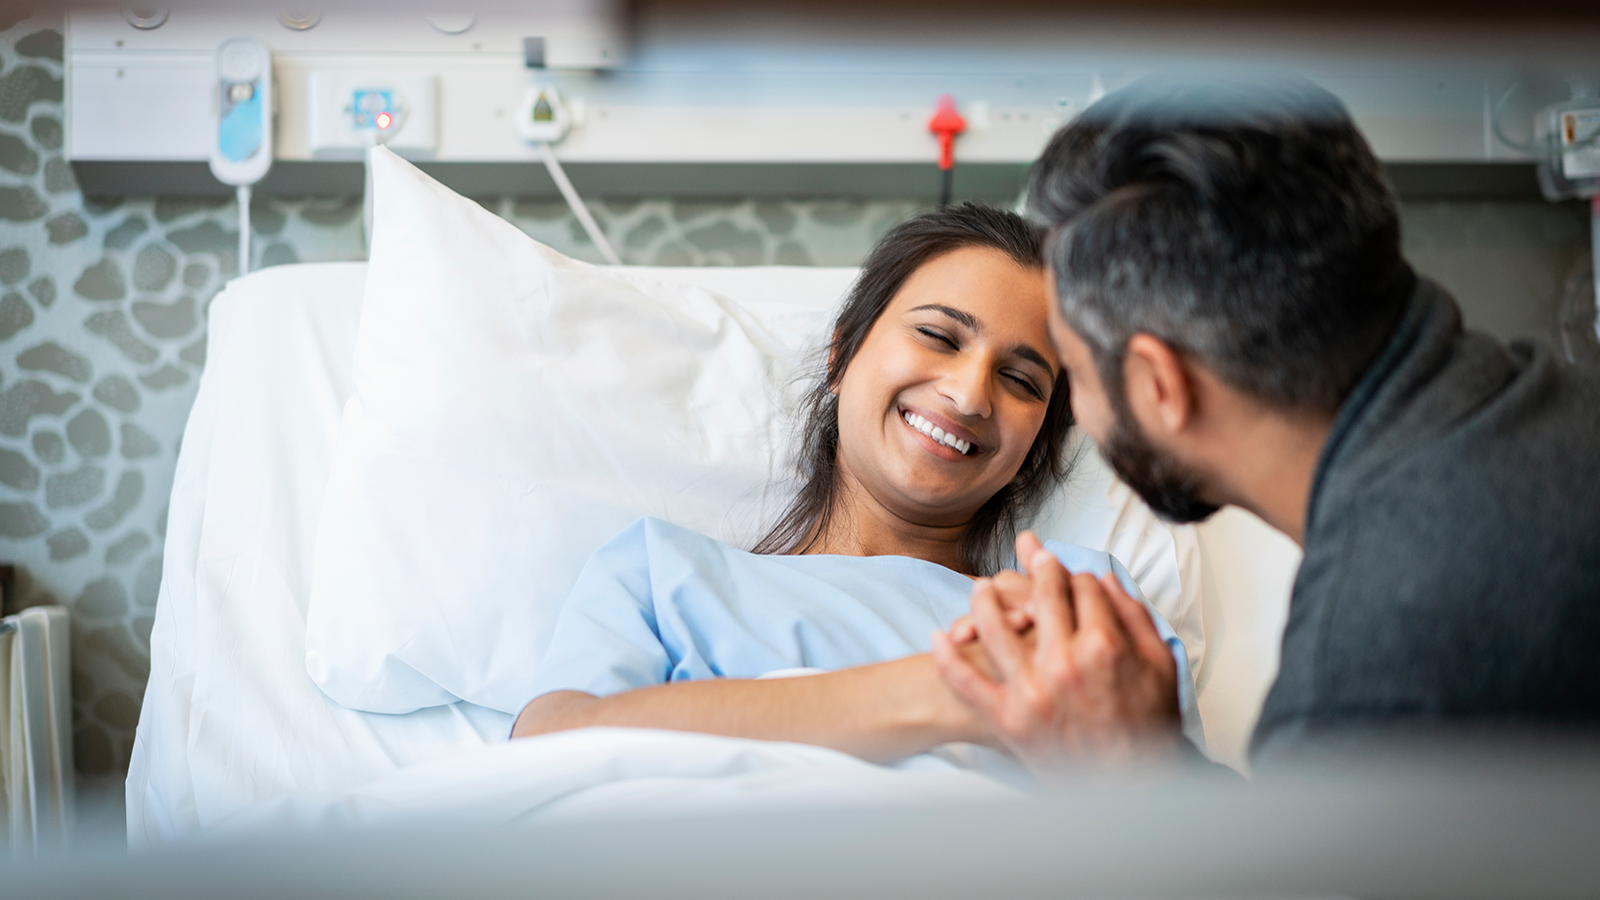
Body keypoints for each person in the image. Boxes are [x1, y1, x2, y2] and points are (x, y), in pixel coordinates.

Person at [931, 75, 1600, 774]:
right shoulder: (1564, 408)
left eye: (1070, 371)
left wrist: (1140, 770)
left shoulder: (1373, 679)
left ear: (1160, 386)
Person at [510, 203, 1204, 762]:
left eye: (1021, 379)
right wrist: (942, 695)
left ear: (1037, 444)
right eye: (939, 336)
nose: (969, 395)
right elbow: (547, 750)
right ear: (843, 353)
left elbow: (1193, 841)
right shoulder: (661, 577)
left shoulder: (1074, 606)